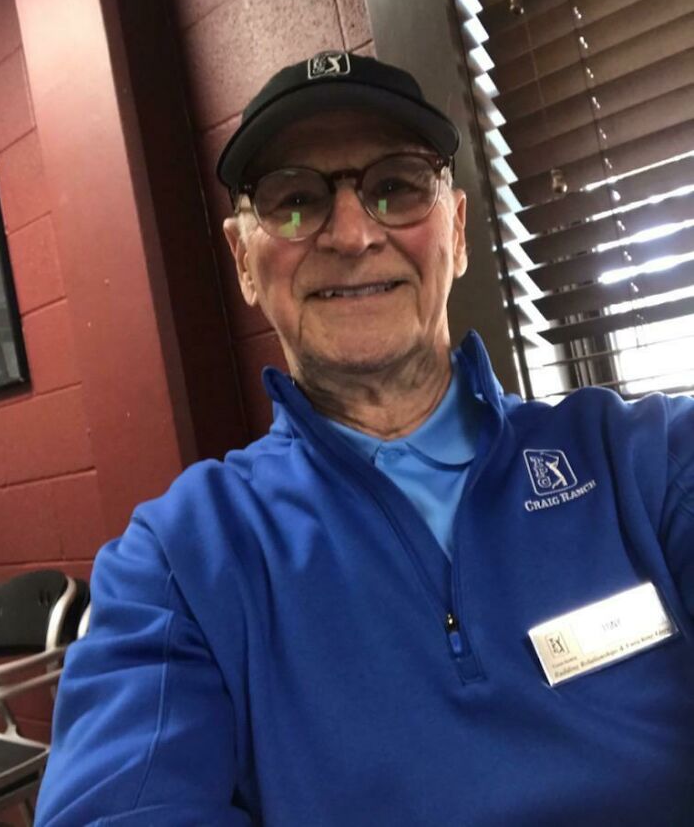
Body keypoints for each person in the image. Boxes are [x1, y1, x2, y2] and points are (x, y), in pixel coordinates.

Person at [35, 52, 694, 826]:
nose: (351, 233)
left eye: (396, 187)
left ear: (455, 225)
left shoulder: (646, 463)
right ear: (244, 260)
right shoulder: (177, 562)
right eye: (293, 201)